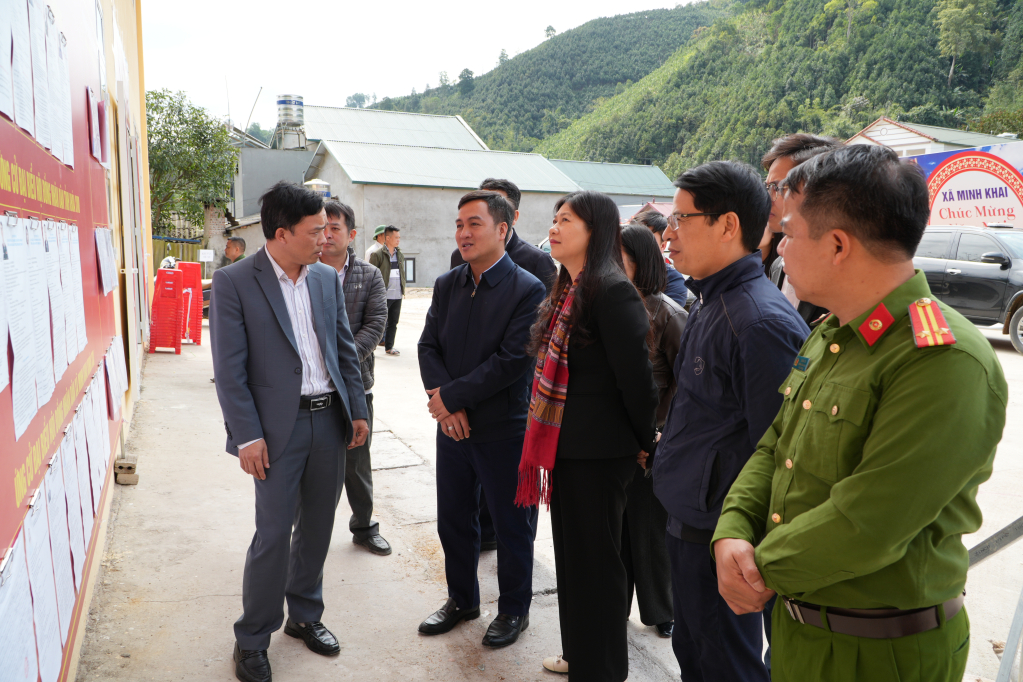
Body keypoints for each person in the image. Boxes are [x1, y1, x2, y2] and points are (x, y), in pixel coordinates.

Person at [712, 144, 1009, 682]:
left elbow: (870, 521)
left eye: (788, 233)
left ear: (838, 245)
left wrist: (758, 570)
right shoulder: (833, 332)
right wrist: (732, 529)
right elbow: (775, 447)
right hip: (800, 629)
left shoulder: (943, 359)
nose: (779, 247)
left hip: (880, 651)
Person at [650, 161, 809, 682]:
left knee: (725, 663)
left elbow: (778, 450)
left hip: (721, 529)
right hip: (690, 514)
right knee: (695, 652)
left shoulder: (759, 323)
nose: (668, 234)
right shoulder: (710, 299)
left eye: (681, 219)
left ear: (728, 225)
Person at [209, 181, 370, 682]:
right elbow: (229, 370)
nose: (326, 238)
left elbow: (342, 347)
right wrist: (247, 436)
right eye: (316, 231)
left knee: (318, 527)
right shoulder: (235, 281)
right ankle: (252, 638)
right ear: (281, 233)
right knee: (275, 534)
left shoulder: (324, 278)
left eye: (328, 230)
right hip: (275, 430)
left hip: (329, 419)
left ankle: (304, 615)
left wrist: (357, 408)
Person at [516, 190, 658, 681]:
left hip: (600, 455)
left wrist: (645, 441)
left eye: (566, 220)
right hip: (570, 451)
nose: (553, 228)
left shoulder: (611, 291)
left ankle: (603, 670)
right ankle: (581, 658)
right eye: (554, 219)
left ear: (595, 231)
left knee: (596, 569)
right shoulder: (570, 289)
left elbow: (638, 383)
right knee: (575, 565)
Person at [417, 190, 545, 648]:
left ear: (502, 229)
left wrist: (450, 398)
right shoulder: (448, 284)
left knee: (512, 526)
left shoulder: (528, 289)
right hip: (452, 429)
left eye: (474, 223)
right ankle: (462, 600)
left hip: (502, 429)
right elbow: (427, 346)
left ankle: (514, 609)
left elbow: (511, 361)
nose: (463, 233)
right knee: (453, 519)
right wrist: (446, 406)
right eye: (459, 224)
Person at [449, 178, 557, 552]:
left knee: (515, 494)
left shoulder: (535, 264)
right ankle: (482, 540)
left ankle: (515, 557)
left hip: (514, 394)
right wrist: (449, 395)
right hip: (464, 397)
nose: (467, 231)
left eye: (495, 207)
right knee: (467, 493)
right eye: (463, 222)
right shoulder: (458, 263)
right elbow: (441, 336)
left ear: (510, 219)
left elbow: (532, 340)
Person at [618, 224, 687, 639]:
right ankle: (616, 607)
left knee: (651, 533)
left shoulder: (668, 314)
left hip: (654, 441)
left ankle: (663, 610)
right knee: (618, 535)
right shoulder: (610, 306)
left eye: (620, 257)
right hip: (616, 439)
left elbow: (687, 386)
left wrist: (660, 437)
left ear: (640, 261)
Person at [319, 200, 391, 556]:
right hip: (311, 387)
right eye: (322, 228)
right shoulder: (303, 269)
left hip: (356, 385)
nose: (327, 235)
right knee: (315, 466)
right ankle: (311, 533)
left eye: (335, 228)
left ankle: (363, 527)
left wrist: (339, 362)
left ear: (351, 235)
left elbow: (376, 325)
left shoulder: (369, 274)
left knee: (358, 463)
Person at [761, 134, 841, 327]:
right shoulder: (778, 265)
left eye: (778, 187)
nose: (769, 197)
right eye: (767, 187)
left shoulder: (842, 271)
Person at [450, 177, 557, 294]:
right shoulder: (459, 257)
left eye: (497, 205)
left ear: (514, 217)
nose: (464, 234)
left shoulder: (537, 260)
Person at [629, 211, 689, 307]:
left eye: (646, 240)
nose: (637, 246)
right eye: (633, 239)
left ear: (663, 246)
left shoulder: (673, 280)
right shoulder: (617, 270)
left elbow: (668, 314)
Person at [369, 225, 405, 355]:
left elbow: (401, 273)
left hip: (397, 295)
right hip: (383, 295)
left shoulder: (399, 254)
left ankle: (389, 347)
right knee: (378, 322)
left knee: (393, 322)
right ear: (388, 238)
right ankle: (371, 347)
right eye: (396, 237)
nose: (398, 240)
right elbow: (371, 276)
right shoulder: (377, 255)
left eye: (399, 237)